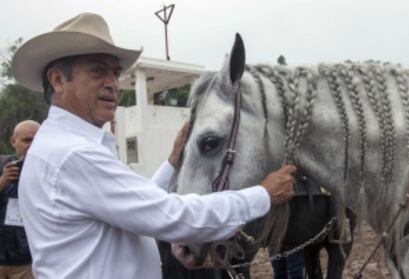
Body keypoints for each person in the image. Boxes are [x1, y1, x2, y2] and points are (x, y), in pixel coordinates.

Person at [11, 13, 296, 279]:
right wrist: (262, 195)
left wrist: (171, 163)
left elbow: (133, 204)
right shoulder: (73, 155)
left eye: (114, 72)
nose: (112, 83)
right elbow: (173, 215)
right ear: (58, 80)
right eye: (98, 71)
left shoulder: (61, 147)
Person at [0, 120, 40, 279]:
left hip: (28, 261)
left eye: (36, 140)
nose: (31, 145)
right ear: (13, 141)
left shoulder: (48, 170)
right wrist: (2, 182)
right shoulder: (3, 165)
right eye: (27, 140)